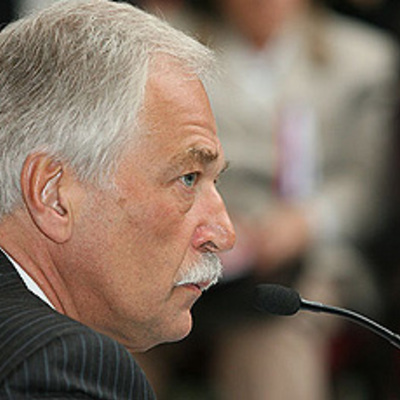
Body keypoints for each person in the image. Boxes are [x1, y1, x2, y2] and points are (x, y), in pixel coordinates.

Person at [135, 0, 399, 398]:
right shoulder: (166, 45)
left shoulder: (365, 60)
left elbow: (368, 185)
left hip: (308, 258)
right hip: (183, 243)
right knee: (115, 326)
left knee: (272, 335)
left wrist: (305, 222)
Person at [0, 0, 235, 398]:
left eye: (214, 181)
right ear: (53, 195)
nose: (224, 234)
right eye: (188, 178)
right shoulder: (60, 366)